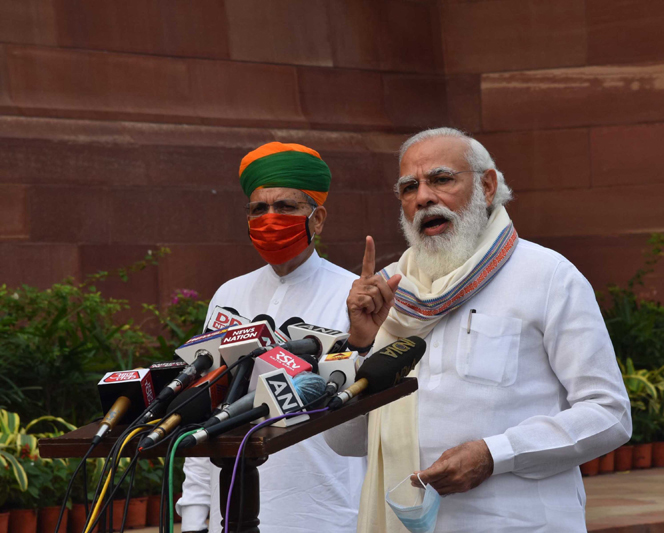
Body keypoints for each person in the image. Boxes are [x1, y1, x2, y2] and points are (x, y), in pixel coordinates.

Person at [325, 128, 632, 532]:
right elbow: (344, 443)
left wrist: (495, 454)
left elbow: (609, 413)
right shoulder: (386, 294)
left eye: (441, 179)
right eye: (409, 187)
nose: (423, 198)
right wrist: (361, 344)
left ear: (487, 186)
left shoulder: (547, 276)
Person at [177, 142, 365, 533]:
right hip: (231, 510)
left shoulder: (353, 298)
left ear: (317, 218)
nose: (270, 218)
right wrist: (193, 514)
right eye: (258, 209)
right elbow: (200, 403)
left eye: (285, 207)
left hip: (325, 515)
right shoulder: (228, 295)